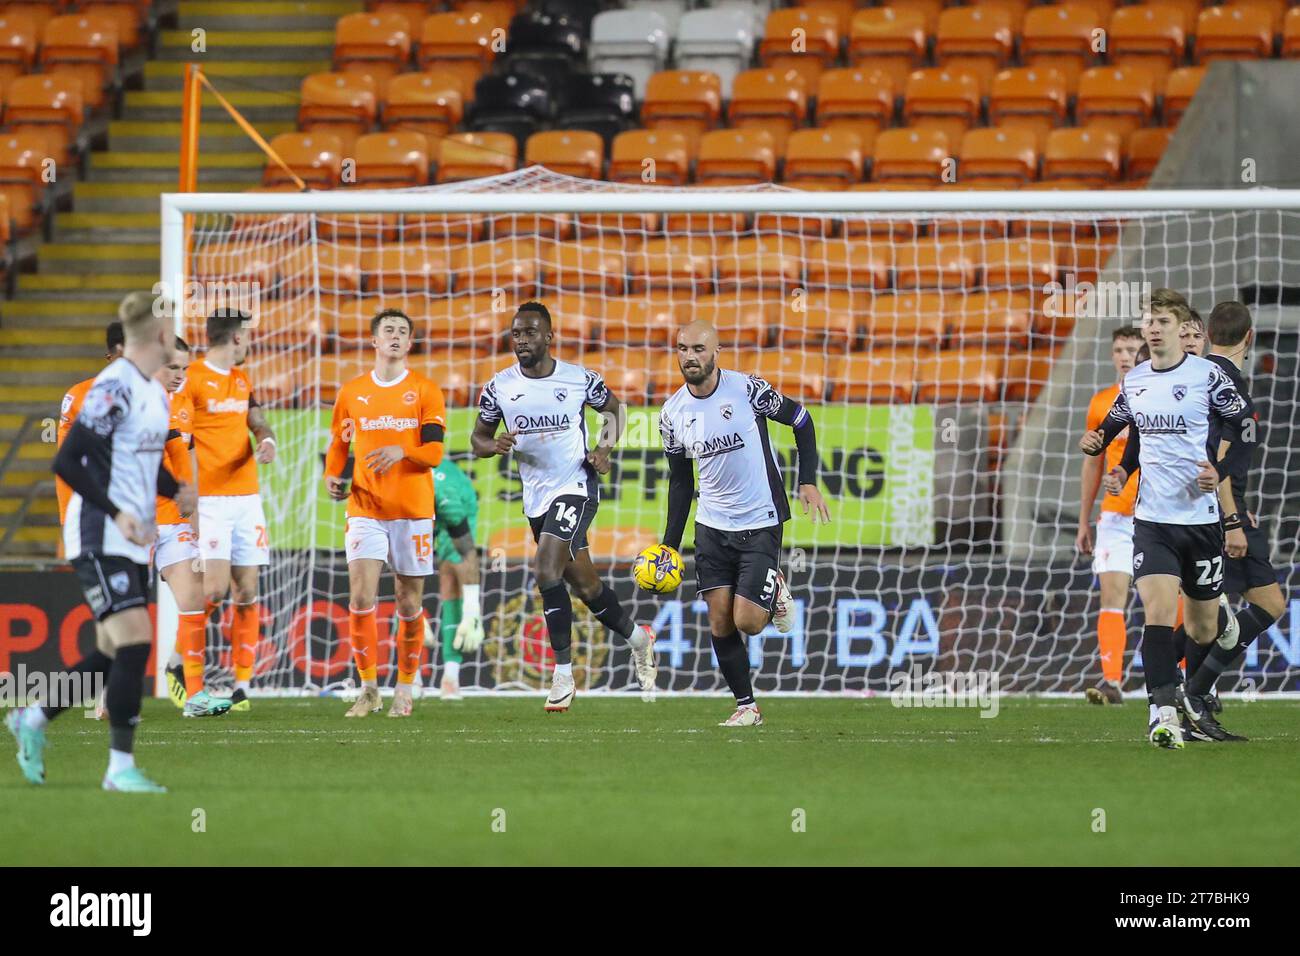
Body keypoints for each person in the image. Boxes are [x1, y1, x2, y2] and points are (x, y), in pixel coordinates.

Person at [7, 303, 196, 791]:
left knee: (113, 651)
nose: (176, 342)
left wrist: (175, 491)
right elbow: (68, 461)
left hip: (132, 538)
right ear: (156, 334)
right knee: (136, 641)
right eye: (172, 333)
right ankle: (119, 769)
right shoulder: (114, 387)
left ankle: (34, 717)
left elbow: (142, 458)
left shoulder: (154, 393)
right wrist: (117, 514)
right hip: (100, 532)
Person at [1082, 296, 1250, 748]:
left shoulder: (1208, 376)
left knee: (1200, 628)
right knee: (1156, 611)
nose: (1153, 329)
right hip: (1152, 520)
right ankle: (1162, 713)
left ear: (1183, 328)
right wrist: (1105, 452)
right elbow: (1124, 433)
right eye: (1148, 322)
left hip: (1201, 520)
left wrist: (1221, 471)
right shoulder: (1134, 382)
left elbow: (1245, 428)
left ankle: (1208, 650)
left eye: (1162, 321)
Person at [472, 302, 656, 712]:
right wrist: (493, 446)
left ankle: (562, 675)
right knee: (586, 586)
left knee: (545, 567)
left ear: (549, 337)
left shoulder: (578, 379)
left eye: (531, 332)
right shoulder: (499, 387)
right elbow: (478, 439)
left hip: (575, 485)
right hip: (536, 498)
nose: (522, 340)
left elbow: (614, 409)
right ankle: (639, 640)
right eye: (517, 333)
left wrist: (604, 449)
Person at [659, 320, 831, 727]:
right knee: (719, 618)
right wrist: (669, 544)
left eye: (699, 349)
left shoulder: (748, 391)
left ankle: (775, 589)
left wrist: (807, 481)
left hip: (761, 517)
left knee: (748, 622)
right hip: (711, 525)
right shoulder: (671, 414)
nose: (690, 357)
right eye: (682, 349)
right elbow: (681, 482)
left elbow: (802, 420)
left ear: (716, 351)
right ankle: (746, 706)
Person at [324, 308, 447, 718]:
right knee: (361, 596)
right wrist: (332, 476)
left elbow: (433, 452)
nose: (395, 336)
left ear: (409, 343)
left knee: (408, 603)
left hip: (413, 510)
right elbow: (340, 445)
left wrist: (402, 450)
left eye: (402, 332)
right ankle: (369, 689)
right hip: (365, 508)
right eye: (388, 331)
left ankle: (405, 688)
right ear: (374, 341)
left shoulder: (425, 391)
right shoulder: (352, 392)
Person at [179, 309, 277, 711]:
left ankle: (241, 686)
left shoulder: (241, 379)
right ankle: (186, 672)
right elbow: (183, 444)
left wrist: (267, 438)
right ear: (236, 339)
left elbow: (256, 418)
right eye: (247, 338)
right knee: (213, 590)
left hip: (246, 499)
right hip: (211, 502)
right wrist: (193, 504)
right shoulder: (192, 379)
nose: (250, 344)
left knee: (247, 592)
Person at [157, 337, 231, 717]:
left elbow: (189, 466)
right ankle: (104, 693)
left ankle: (196, 696)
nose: (180, 376)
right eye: (172, 367)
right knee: (124, 616)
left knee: (193, 600)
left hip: (173, 520)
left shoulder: (184, 404)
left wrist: (197, 521)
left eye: (185, 369)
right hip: (134, 522)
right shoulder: (130, 402)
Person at [1076, 325, 1143, 705]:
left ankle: (1183, 679)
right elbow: (1092, 465)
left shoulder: (1159, 399)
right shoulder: (1101, 403)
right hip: (1115, 516)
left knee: (1162, 602)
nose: (1124, 356)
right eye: (1118, 349)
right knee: (1112, 598)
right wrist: (1084, 519)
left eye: (1132, 349)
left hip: (1156, 514)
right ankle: (1112, 681)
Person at [427, 457, 482, 701]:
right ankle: (409, 678)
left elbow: (465, 551)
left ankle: (451, 677)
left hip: (454, 504)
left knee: (450, 575)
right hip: (413, 511)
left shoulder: (445, 489)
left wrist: (473, 607)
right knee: (405, 582)